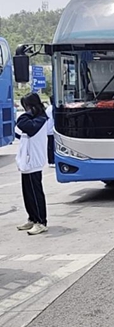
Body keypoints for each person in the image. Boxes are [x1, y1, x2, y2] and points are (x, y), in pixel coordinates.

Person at [15, 93, 49, 235]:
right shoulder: (34, 119)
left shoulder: (40, 119)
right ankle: (32, 218)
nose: (26, 110)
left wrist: (28, 113)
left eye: (27, 107)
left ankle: (41, 221)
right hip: (26, 162)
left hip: (33, 161)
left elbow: (22, 123)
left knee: (35, 193)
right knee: (27, 193)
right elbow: (17, 131)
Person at [45, 96, 55, 168]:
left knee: (50, 146)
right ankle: (52, 160)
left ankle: (51, 160)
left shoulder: (48, 108)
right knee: (52, 146)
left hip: (49, 130)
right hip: (52, 130)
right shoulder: (53, 108)